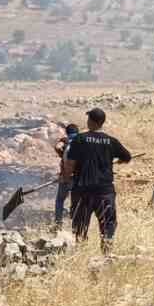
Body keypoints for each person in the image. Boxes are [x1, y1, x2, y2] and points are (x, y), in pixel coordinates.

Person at [61, 107, 132, 251]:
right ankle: (107, 255)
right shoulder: (111, 141)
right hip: (104, 192)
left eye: (88, 119)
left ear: (91, 121)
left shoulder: (79, 139)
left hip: (82, 191)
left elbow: (70, 164)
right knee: (107, 228)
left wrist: (66, 179)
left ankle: (80, 253)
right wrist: (119, 161)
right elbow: (127, 157)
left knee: (80, 227)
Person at [52, 123, 79, 225]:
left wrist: (61, 152)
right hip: (78, 178)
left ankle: (58, 223)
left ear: (67, 133)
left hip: (65, 178)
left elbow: (57, 148)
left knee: (60, 200)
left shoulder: (65, 141)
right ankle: (75, 222)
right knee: (75, 200)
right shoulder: (82, 141)